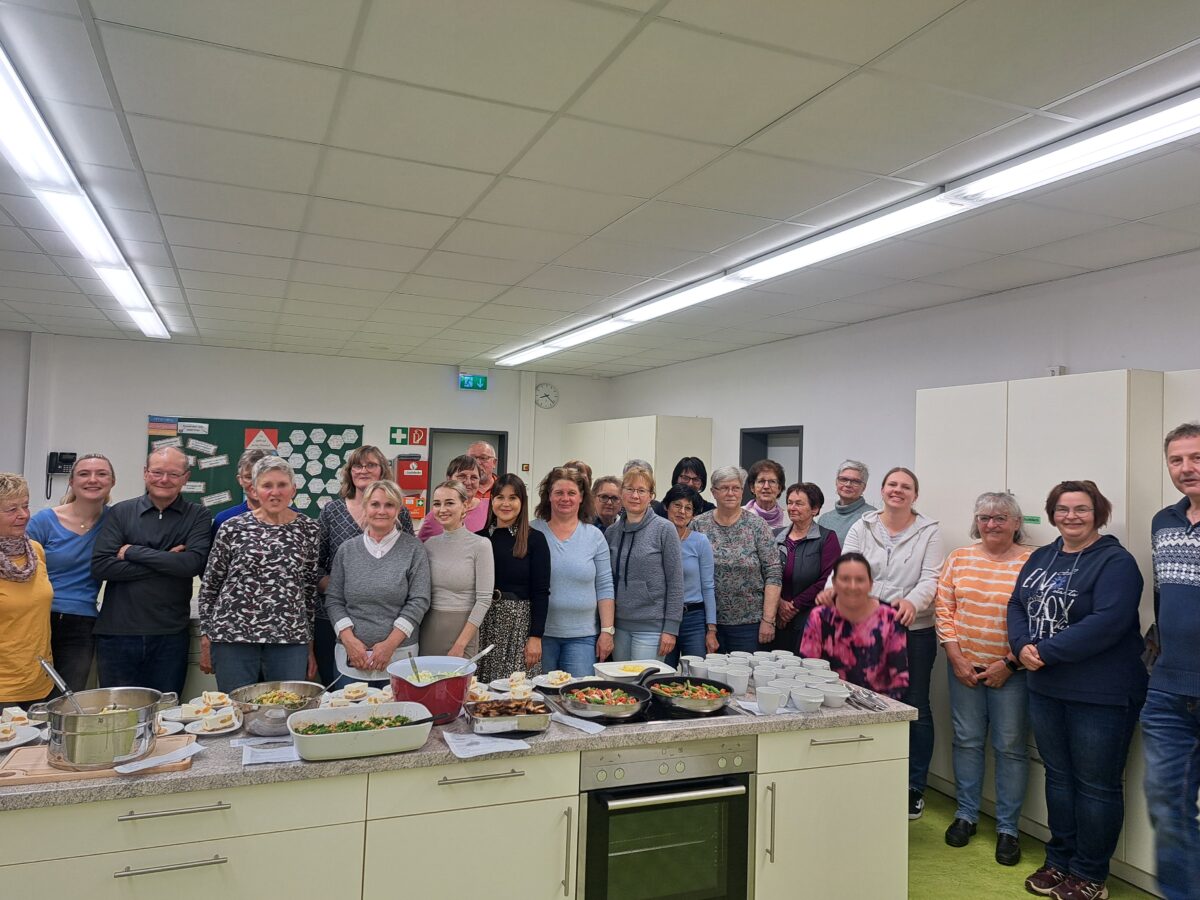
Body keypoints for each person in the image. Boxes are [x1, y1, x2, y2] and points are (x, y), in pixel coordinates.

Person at [1008, 480, 1146, 900]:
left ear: (1098, 513)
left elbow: (1108, 622)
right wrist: (1020, 647)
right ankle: (1060, 860)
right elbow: (1017, 604)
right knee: (1060, 778)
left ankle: (1090, 874)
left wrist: (1044, 651)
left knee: (1096, 785)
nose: (1071, 516)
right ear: (1052, 514)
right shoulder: (1042, 556)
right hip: (1046, 687)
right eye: (1063, 509)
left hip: (1100, 694)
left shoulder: (1115, 562)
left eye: (1081, 509)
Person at [822, 466, 943, 820]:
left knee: (914, 706)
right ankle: (866, 773)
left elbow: (931, 578)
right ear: (882, 489)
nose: (898, 490)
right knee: (863, 701)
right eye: (892, 484)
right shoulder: (865, 525)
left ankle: (912, 786)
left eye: (906, 487)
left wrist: (913, 602)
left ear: (914, 495)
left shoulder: (929, 531)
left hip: (911, 630)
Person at [935, 492, 1032, 867]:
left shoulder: (1032, 561)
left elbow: (1038, 616)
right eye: (985, 517)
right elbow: (945, 608)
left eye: (1001, 517)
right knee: (967, 741)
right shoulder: (958, 558)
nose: (992, 524)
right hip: (964, 668)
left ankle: (1008, 828)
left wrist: (1008, 663)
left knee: (1010, 747)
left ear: (1016, 523)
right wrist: (956, 658)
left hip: (1012, 671)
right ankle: (966, 815)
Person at [91, 446, 212, 697]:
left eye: (173, 474)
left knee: (165, 718)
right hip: (117, 634)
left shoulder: (198, 515)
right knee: (118, 717)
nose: (164, 480)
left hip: (170, 636)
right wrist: (168, 562)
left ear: (186, 478)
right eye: (157, 472)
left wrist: (133, 551)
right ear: (145, 473)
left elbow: (192, 565)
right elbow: (102, 566)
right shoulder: (120, 512)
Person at [198, 457, 320, 693]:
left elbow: (308, 590)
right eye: (267, 485)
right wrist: (206, 636)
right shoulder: (232, 528)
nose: (275, 492)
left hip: (289, 638)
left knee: (286, 709)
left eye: (282, 485)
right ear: (254, 490)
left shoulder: (309, 529)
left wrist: (309, 645)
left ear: (293, 489)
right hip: (233, 638)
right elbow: (211, 586)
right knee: (237, 711)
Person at [1142, 421, 1200, 900]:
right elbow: (1166, 599)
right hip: (1168, 692)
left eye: (1197, 457)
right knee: (1165, 804)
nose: (1187, 468)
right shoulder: (1165, 521)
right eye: (1177, 460)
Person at [314, 445, 413, 685]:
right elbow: (314, 565)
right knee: (340, 689)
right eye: (357, 465)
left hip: (385, 621)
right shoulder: (332, 511)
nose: (363, 470)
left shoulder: (401, 514)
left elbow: (408, 562)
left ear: (382, 471)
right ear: (349, 472)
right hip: (334, 617)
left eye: (371, 465)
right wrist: (343, 591)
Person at [325, 480, 430, 687]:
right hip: (351, 658)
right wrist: (350, 641)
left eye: (389, 505)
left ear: (398, 509)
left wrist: (389, 645)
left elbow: (419, 601)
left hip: (399, 657)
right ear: (365, 507)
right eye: (375, 504)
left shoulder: (414, 549)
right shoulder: (347, 550)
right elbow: (334, 599)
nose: (381, 511)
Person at [26, 453, 114, 692]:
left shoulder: (115, 521)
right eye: (84, 474)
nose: (92, 480)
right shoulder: (44, 521)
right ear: (72, 482)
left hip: (82, 624)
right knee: (29, 696)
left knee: (67, 699)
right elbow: (20, 568)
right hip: (38, 619)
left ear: (112, 482)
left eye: (101, 474)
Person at [531, 466, 615, 676]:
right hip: (541, 636)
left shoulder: (594, 536)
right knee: (541, 699)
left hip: (583, 638)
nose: (565, 498)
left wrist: (607, 631)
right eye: (558, 492)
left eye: (571, 493)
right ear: (548, 496)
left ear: (581, 498)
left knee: (579, 698)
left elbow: (605, 586)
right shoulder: (533, 532)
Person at [692, 466, 782, 653]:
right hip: (707, 623)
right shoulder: (698, 524)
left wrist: (768, 619)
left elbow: (773, 573)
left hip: (749, 623)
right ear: (713, 492)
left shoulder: (758, 525)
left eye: (736, 488)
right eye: (724, 488)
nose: (731, 493)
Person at [800, 552, 907, 698]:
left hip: (879, 708)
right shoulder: (819, 617)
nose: (852, 586)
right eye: (845, 579)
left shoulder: (890, 618)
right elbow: (808, 672)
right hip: (827, 706)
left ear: (870, 584)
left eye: (860, 580)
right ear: (834, 583)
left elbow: (899, 681)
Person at [605, 465, 684, 662]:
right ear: (622, 493)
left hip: (652, 627)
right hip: (619, 626)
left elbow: (676, 583)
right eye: (630, 489)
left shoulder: (665, 529)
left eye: (641, 491)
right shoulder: (612, 533)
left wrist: (670, 629)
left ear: (651, 496)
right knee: (622, 688)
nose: (635, 496)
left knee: (644, 686)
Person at [477, 473, 550, 683]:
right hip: (483, 621)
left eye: (513, 498)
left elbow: (541, 592)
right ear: (492, 501)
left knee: (515, 690)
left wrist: (535, 637)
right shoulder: (479, 538)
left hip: (518, 625)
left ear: (522, 502)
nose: (506, 503)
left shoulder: (535, 540)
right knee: (481, 688)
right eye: (500, 497)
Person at [422, 480, 494, 658]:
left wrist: (460, 644)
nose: (442, 509)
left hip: (463, 634)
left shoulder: (481, 545)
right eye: (437, 504)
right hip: (428, 631)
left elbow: (484, 600)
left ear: (465, 506)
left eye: (450, 503)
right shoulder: (429, 545)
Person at [0, 473, 54, 708]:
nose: (23, 515)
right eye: (11, 509)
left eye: (25, 505)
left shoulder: (35, 551)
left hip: (39, 681)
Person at [773, 482, 839, 653]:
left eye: (799, 503)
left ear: (815, 509)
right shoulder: (774, 536)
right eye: (789, 502)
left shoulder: (827, 538)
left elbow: (828, 578)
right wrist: (779, 603)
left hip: (809, 616)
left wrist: (793, 606)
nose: (792, 507)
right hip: (773, 613)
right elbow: (764, 573)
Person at [661, 484, 717, 662]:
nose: (682, 512)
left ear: (693, 514)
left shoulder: (700, 541)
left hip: (693, 617)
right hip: (662, 617)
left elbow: (708, 586)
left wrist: (711, 630)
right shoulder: (656, 538)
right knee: (664, 676)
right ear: (666, 507)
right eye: (677, 505)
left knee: (695, 675)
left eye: (688, 508)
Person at [418, 455, 488, 540]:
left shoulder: (490, 508)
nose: (468, 482)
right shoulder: (436, 515)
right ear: (449, 478)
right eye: (462, 476)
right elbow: (420, 549)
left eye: (474, 477)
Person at [211, 448, 269, 537]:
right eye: (249, 477)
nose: (255, 483)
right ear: (240, 480)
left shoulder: (293, 519)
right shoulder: (224, 519)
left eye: (262, 476)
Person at [817, 460, 876, 545]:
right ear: (836, 482)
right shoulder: (824, 519)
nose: (848, 484)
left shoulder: (872, 516)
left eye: (855, 481)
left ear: (864, 487)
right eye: (844, 479)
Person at [652, 457, 717, 517]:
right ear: (676, 479)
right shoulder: (661, 508)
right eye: (685, 478)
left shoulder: (709, 511)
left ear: (702, 483)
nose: (690, 483)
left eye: (696, 479)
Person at [743, 459, 788, 530]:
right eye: (761, 481)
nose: (766, 486)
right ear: (752, 488)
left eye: (772, 481)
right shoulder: (740, 515)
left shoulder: (789, 519)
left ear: (779, 488)